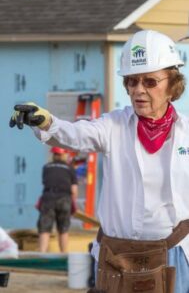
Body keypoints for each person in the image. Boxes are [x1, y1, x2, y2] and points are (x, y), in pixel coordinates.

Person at [9, 30, 189, 293]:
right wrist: (47, 122)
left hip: (174, 255)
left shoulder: (186, 131)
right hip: (117, 258)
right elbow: (75, 135)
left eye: (150, 82)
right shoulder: (113, 125)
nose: (138, 90)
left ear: (172, 86)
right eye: (131, 81)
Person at [37, 146, 78, 253]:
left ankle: (42, 254)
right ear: (64, 155)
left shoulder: (46, 167)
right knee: (63, 229)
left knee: (44, 228)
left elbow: (45, 182)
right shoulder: (70, 168)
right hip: (64, 198)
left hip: (48, 198)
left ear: (53, 155)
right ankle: (63, 255)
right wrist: (72, 204)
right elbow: (74, 190)